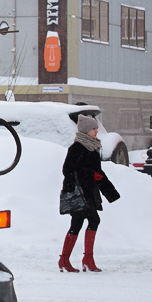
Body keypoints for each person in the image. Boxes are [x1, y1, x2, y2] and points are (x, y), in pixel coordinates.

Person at [58, 116, 111, 272]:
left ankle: (66, 260)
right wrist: (89, 175)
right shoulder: (77, 148)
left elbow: (97, 172)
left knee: (77, 224)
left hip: (88, 191)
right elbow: (67, 170)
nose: (97, 131)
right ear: (86, 130)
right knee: (94, 220)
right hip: (78, 192)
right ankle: (85, 259)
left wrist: (110, 191)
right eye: (94, 128)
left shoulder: (93, 148)